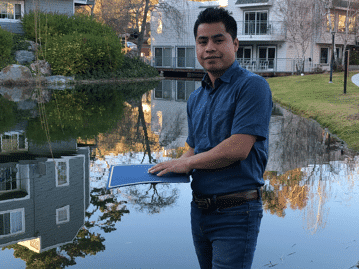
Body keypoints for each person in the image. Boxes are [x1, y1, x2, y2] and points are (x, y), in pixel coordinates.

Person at [149, 7, 272, 269]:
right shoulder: (196, 97)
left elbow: (238, 147)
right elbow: (192, 150)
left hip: (237, 212)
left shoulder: (252, 86)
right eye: (202, 41)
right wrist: (169, 167)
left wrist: (187, 164)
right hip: (200, 210)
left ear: (235, 44)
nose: (209, 48)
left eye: (218, 40)